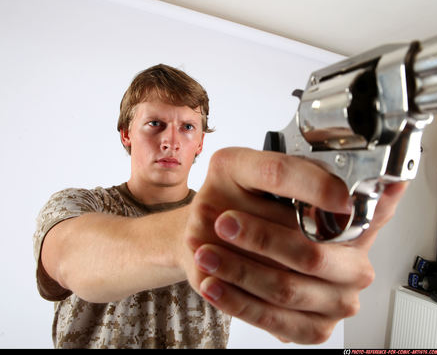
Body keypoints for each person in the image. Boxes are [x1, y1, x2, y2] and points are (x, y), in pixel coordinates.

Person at [33, 64, 408, 348]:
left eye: (187, 128)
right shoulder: (78, 205)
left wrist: (309, 267)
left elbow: (287, 286)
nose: (170, 141)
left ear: (200, 144)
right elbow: (72, 259)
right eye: (155, 124)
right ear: (126, 134)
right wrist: (200, 233)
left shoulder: (240, 216)